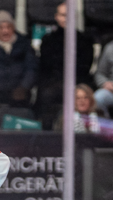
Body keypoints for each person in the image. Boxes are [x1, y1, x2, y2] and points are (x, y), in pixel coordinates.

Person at [35, 2, 95, 130]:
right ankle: (48, 135)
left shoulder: (85, 40)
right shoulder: (48, 40)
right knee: (47, 94)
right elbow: (46, 65)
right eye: (63, 15)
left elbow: (84, 66)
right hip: (54, 82)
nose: (66, 18)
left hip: (77, 81)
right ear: (57, 17)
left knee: (83, 93)